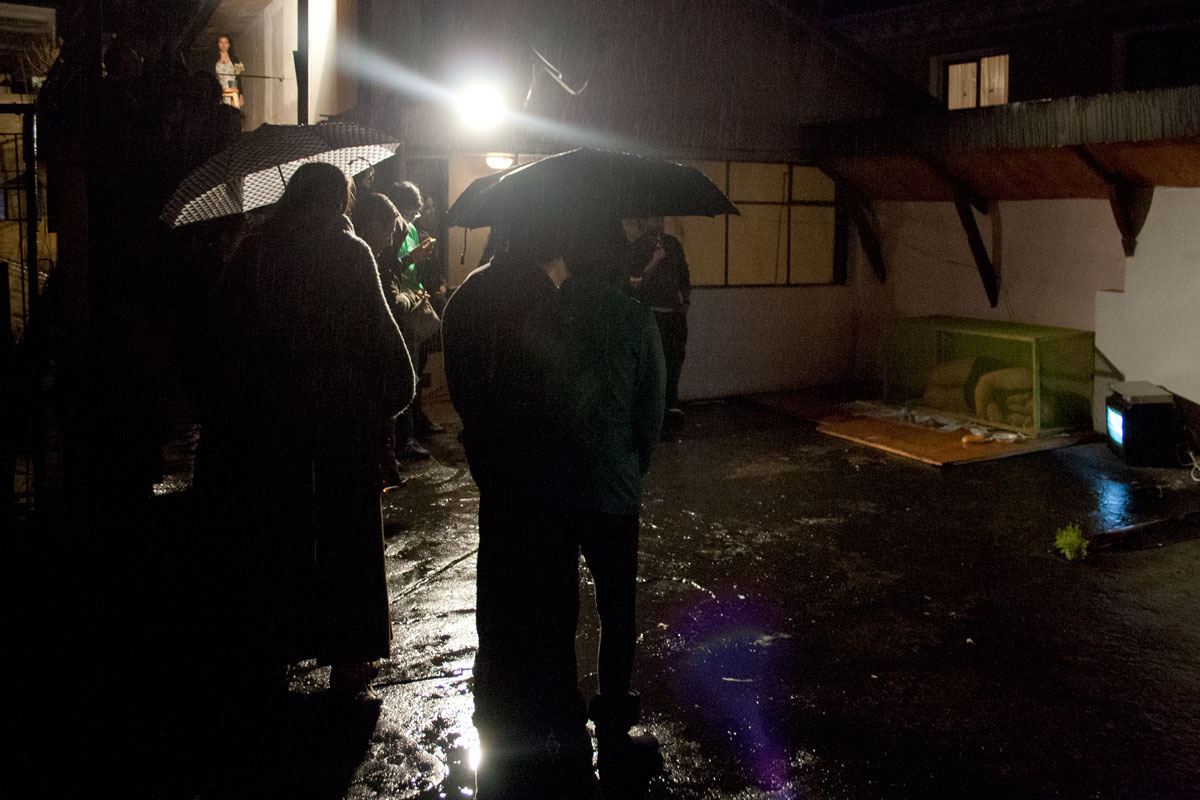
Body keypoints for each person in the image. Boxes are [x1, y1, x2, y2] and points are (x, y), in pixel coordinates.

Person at [195, 162, 414, 697]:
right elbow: (391, 360)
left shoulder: (253, 253)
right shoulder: (350, 253)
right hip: (341, 431)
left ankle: (271, 649)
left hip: (263, 434)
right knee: (346, 542)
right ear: (339, 201)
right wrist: (378, 407)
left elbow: (215, 344)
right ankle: (349, 658)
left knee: (273, 540)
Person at [442, 217, 590, 798]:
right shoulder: (544, 297)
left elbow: (461, 384)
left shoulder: (467, 295)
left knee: (499, 560)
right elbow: (565, 385)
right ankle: (549, 696)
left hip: (492, 458)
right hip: (543, 461)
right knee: (550, 579)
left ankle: (499, 677)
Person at [524, 218, 667, 793]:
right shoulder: (635, 319)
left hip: (553, 486)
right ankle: (613, 727)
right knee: (616, 608)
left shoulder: (545, 313)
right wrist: (634, 460)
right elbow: (652, 408)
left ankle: (561, 720)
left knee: (556, 607)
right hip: (612, 488)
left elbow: (529, 399)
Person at [354, 192, 441, 472]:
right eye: (389, 232)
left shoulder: (380, 257)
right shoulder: (363, 255)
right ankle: (391, 452)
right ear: (372, 226)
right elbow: (393, 303)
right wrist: (412, 296)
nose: (392, 240)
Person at [628, 217, 690, 438]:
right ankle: (653, 415)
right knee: (654, 365)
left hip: (673, 313)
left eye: (661, 217)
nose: (659, 221)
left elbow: (684, 273)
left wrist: (685, 302)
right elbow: (635, 281)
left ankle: (670, 409)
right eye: (654, 217)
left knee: (674, 360)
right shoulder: (638, 247)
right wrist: (654, 260)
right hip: (651, 313)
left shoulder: (672, 243)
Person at [214, 35, 243, 109]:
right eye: (221, 42)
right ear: (218, 44)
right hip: (220, 94)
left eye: (226, 42)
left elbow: (238, 78)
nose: (223, 45)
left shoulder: (235, 60)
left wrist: (241, 95)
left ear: (229, 45)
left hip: (233, 93)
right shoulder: (214, 60)